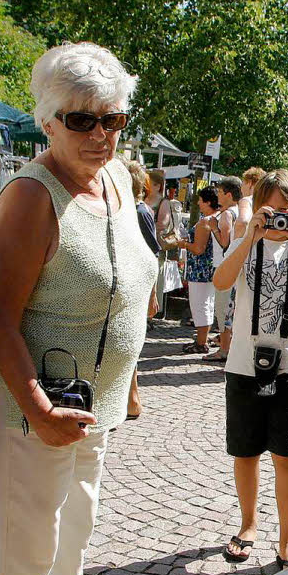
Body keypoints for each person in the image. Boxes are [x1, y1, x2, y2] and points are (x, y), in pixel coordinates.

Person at [0, 42, 157, 575]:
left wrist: (127, 381)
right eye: (81, 120)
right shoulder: (29, 194)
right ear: (47, 119)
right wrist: (39, 410)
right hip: (32, 405)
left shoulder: (115, 179)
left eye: (112, 119)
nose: (100, 134)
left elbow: (127, 286)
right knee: (27, 528)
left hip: (91, 399)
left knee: (75, 519)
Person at [212, 169, 288, 568]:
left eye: (287, 210)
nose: (279, 218)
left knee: (287, 456)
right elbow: (221, 281)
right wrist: (250, 236)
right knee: (245, 453)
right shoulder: (247, 246)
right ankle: (248, 525)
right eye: (271, 210)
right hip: (244, 363)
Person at [124, 158, 160, 419]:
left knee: (129, 342)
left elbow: (151, 255)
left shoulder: (140, 212)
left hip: (135, 285)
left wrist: (151, 294)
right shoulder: (127, 210)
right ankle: (129, 399)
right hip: (126, 284)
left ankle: (132, 399)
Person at [204, 175, 242, 363]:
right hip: (233, 267)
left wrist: (213, 228)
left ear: (228, 194)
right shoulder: (240, 211)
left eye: (219, 192)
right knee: (229, 309)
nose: (217, 196)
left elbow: (225, 243)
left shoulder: (227, 214)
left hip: (223, 265)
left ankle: (224, 350)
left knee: (223, 310)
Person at [178, 186, 219, 353]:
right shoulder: (218, 217)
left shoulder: (205, 222)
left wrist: (183, 244)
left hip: (200, 269)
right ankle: (202, 340)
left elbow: (198, 249)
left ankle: (201, 343)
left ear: (208, 202)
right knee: (207, 304)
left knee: (200, 305)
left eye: (201, 200)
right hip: (210, 267)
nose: (198, 203)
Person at [147, 169, 183, 316]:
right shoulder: (143, 199)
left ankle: (153, 312)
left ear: (157, 186)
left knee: (155, 278)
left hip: (156, 245)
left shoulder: (163, 202)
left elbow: (162, 224)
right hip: (144, 243)